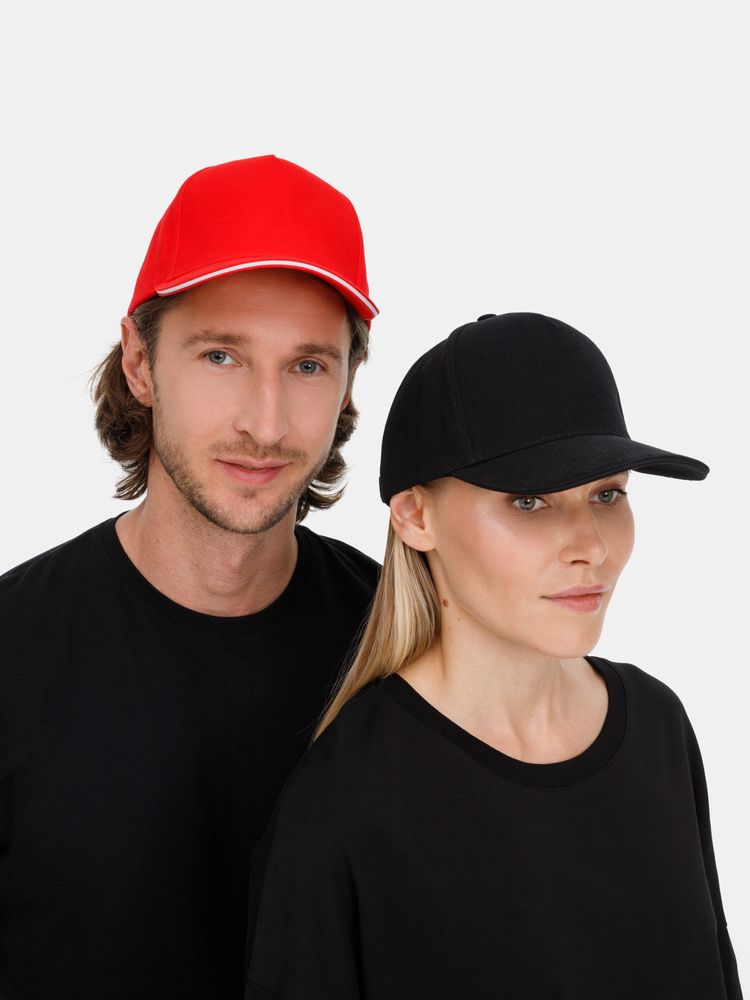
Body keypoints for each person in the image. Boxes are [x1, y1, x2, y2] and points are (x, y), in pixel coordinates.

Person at [245, 312, 743, 1000]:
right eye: (530, 501)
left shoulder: (658, 728)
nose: (590, 546)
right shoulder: (345, 801)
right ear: (415, 516)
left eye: (607, 494)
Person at [0, 155, 380, 1000]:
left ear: (349, 380)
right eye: (220, 356)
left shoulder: (405, 646)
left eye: (308, 365)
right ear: (140, 361)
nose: (266, 423)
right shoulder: (14, 652)